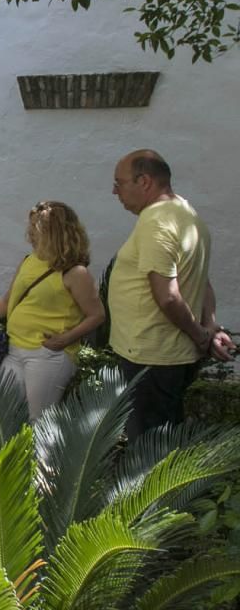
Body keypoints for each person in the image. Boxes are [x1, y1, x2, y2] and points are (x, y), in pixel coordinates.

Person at [108, 149, 235, 439]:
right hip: (164, 356)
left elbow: (167, 296)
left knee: (148, 449)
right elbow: (202, 280)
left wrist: (202, 335)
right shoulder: (187, 214)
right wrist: (210, 326)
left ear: (144, 181)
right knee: (164, 438)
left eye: (119, 182)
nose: (114, 191)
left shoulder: (157, 222)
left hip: (152, 355)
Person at [0, 201, 105, 419]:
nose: (29, 234)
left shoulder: (75, 272)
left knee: (39, 421)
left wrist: (66, 339)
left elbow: (97, 315)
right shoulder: (29, 261)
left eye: (35, 229)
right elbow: (7, 301)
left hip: (48, 355)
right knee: (1, 416)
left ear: (53, 233)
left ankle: (42, 455)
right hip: (15, 350)